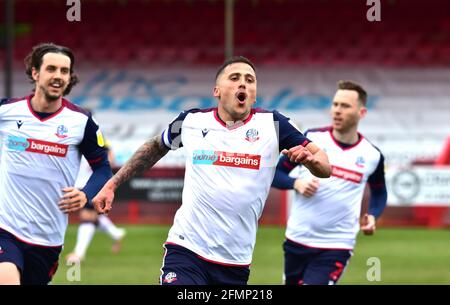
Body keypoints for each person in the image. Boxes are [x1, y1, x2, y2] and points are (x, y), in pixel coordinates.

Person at [92, 56, 331, 285]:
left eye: (250, 80)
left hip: (235, 260)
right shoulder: (191, 121)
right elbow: (156, 146)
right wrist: (113, 183)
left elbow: (325, 165)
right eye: (235, 77)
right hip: (186, 248)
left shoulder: (274, 125)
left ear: (254, 94)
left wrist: (310, 161)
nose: (243, 84)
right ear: (216, 91)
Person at [0, 43, 112, 284]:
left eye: (64, 71)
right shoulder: (6, 111)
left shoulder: (81, 122)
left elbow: (103, 168)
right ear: (35, 73)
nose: (58, 76)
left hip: (47, 239)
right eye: (51, 69)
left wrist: (85, 195)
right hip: (4, 228)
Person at [272, 80, 387, 285]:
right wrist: (296, 183)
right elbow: (276, 174)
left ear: (361, 113)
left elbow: (379, 192)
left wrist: (372, 216)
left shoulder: (372, 155)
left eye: (345, 106)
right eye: (335, 104)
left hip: (337, 244)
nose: (337, 111)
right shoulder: (312, 140)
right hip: (297, 238)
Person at [65, 138, 126, 264]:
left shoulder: (93, 134)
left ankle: (79, 253)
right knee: (93, 216)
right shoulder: (76, 134)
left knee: (87, 216)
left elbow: (109, 156)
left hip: (92, 184)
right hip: (82, 183)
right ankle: (115, 233)